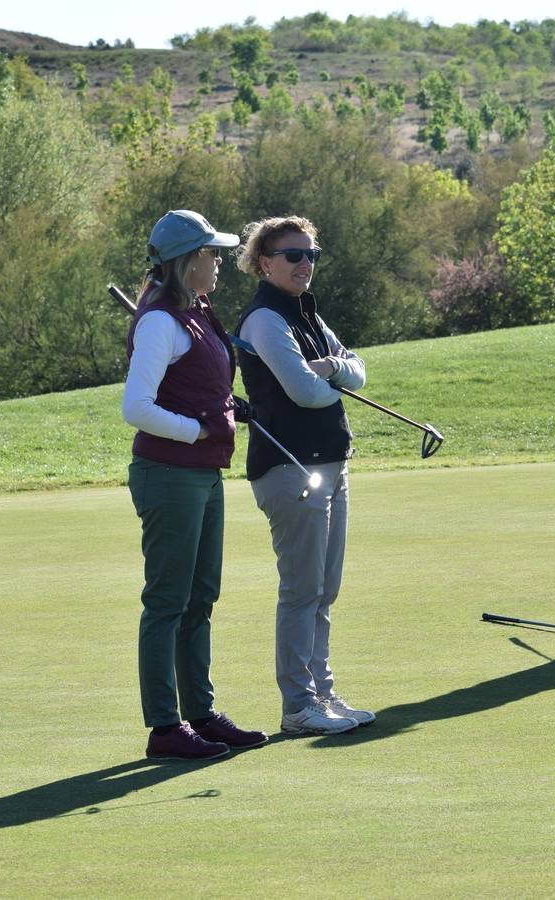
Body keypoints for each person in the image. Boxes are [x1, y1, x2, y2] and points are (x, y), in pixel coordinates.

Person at [122, 209, 268, 760]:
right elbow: (137, 407)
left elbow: (201, 382)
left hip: (203, 474)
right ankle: (165, 727)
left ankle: (200, 714)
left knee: (200, 598)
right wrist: (199, 427)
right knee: (167, 601)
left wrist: (226, 408)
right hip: (169, 475)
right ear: (188, 261)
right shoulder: (161, 320)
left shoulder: (196, 311)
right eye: (211, 254)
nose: (219, 262)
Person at [233, 216, 374, 735]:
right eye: (293, 255)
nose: (304, 265)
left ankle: (324, 694)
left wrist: (334, 368)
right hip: (289, 469)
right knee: (302, 590)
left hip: (331, 465)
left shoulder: (305, 312)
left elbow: (357, 369)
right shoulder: (265, 319)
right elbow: (302, 391)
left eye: (311, 255)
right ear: (264, 262)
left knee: (325, 588)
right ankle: (298, 705)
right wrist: (333, 374)